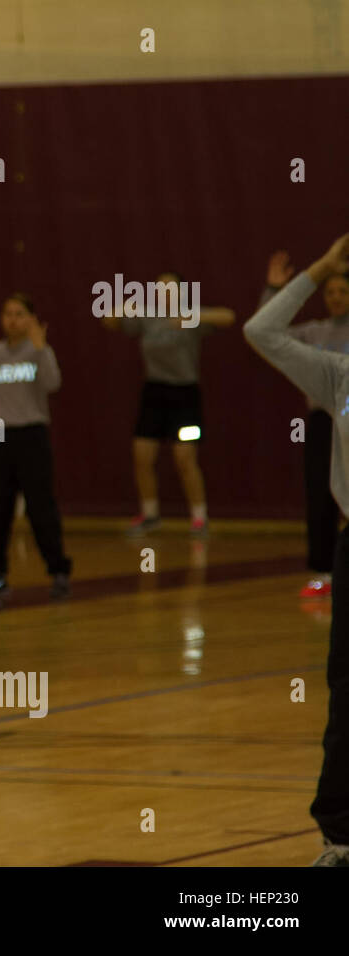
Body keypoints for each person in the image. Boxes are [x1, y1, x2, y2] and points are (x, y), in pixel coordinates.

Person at [242, 232, 349, 866]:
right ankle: (340, 837)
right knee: (346, 692)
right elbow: (261, 330)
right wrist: (317, 271)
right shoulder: (338, 374)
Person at [100, 274, 235, 537]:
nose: (164, 292)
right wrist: (124, 307)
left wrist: (194, 318)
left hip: (185, 397)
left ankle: (199, 518)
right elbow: (108, 321)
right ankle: (150, 515)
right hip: (154, 394)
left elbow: (228, 316)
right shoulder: (148, 317)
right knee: (142, 455)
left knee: (184, 457)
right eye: (160, 288)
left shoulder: (191, 315)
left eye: (170, 288)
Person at [0, 295, 71, 602]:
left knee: (40, 506)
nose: (12, 319)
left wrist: (40, 347)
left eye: (19, 314)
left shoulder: (39, 351)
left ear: (32, 319)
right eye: (7, 313)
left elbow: (53, 383)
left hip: (32, 433)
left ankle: (58, 571)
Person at [258, 252, 349, 598]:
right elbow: (267, 335)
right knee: (320, 493)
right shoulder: (313, 332)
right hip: (323, 422)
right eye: (330, 292)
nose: (336, 297)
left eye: (343, 291)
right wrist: (275, 291)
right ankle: (323, 573)